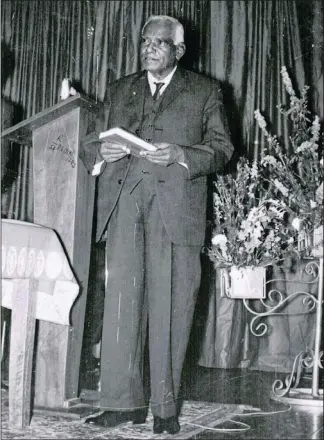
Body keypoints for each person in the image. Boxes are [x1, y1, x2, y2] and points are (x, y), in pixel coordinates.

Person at [81, 15, 234, 435]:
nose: (149, 48)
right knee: (120, 310)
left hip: (175, 213)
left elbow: (221, 148)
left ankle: (165, 409)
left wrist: (182, 154)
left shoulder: (205, 91)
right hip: (125, 208)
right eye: (146, 41)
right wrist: (101, 151)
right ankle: (120, 404)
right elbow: (90, 143)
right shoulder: (119, 89)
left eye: (160, 43)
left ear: (179, 51)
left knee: (171, 310)